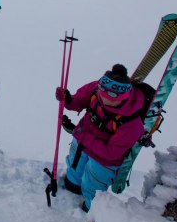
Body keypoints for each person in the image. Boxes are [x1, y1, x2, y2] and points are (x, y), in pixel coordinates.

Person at [55, 64, 147, 211]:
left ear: (124, 97)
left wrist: (83, 137)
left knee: (93, 187)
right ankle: (71, 189)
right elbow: (79, 101)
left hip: (104, 160)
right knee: (74, 169)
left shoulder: (132, 123)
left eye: (111, 98)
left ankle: (90, 213)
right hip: (83, 139)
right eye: (102, 95)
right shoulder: (96, 89)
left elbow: (111, 152)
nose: (105, 101)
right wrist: (68, 100)